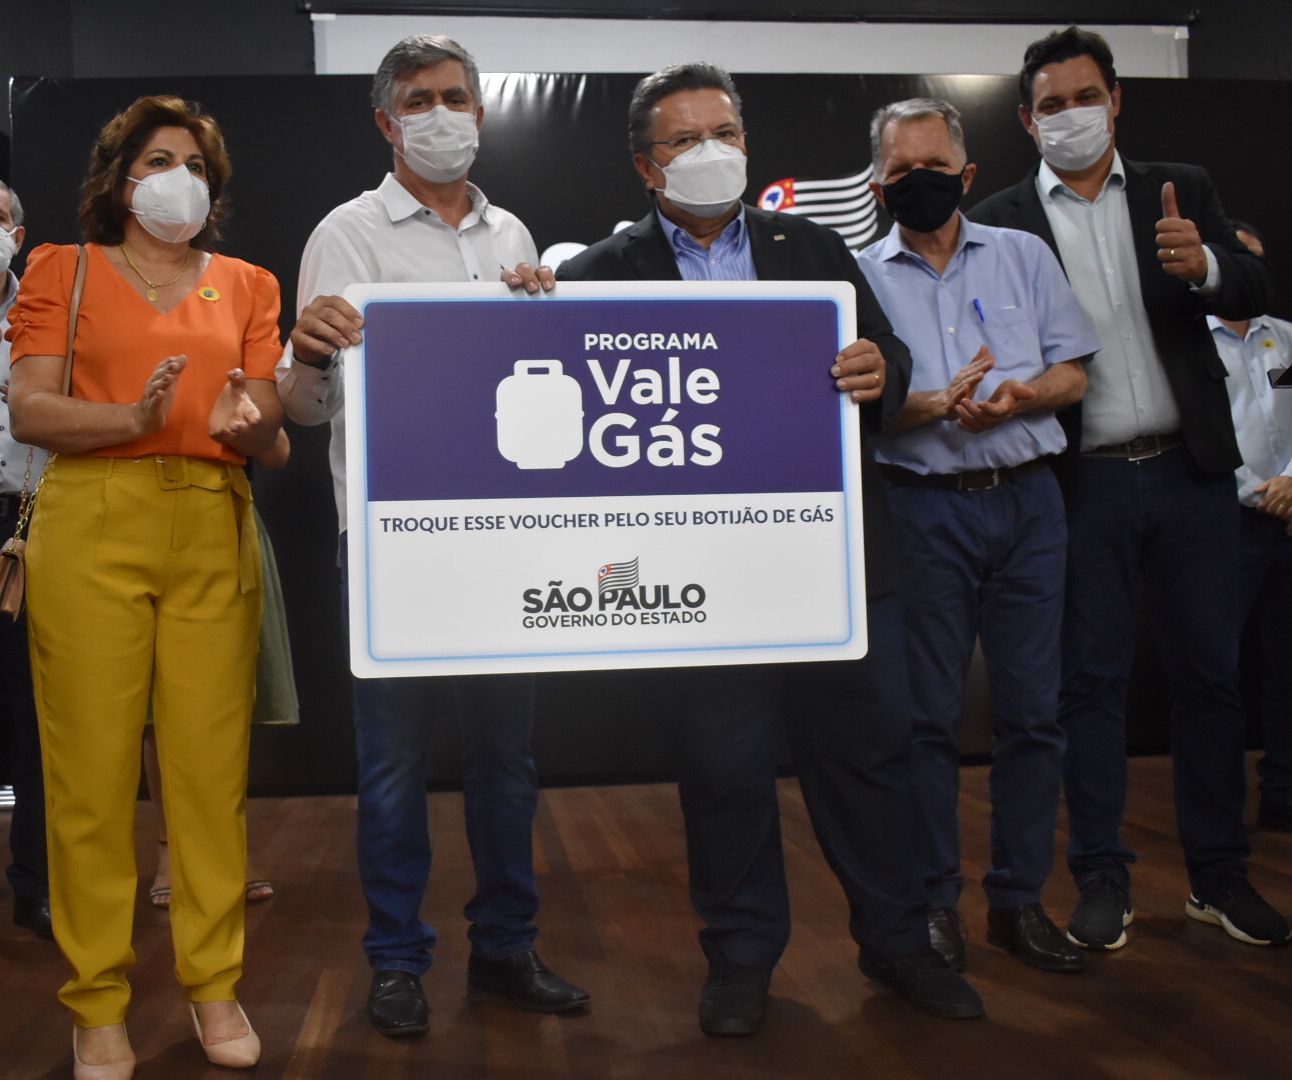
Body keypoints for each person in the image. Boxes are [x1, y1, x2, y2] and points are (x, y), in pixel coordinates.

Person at [538, 62, 983, 1034]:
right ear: (645, 166)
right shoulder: (600, 273)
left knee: (868, 762)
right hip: (701, 581)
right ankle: (740, 961)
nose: (711, 151)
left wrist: (877, 367)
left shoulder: (811, 246)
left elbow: (887, 355)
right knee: (723, 772)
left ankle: (899, 944)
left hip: (830, 565)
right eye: (685, 139)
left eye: (725, 133)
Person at [276, 34, 588, 1039]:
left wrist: (544, 320)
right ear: (385, 120)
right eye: (418, 100)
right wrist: (308, 354)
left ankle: (506, 947)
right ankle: (397, 961)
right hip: (393, 545)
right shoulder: (347, 232)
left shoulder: (512, 232)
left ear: (481, 113)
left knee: (507, 762)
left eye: (455, 96)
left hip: (500, 540)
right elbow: (306, 408)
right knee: (389, 770)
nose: (440, 114)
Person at [971, 25, 1290, 950]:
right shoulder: (1001, 221)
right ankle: (1102, 878)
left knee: (1211, 680)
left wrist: (1209, 266)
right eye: (1051, 105)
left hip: (1192, 474)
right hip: (1081, 483)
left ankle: (1218, 878)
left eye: (1086, 97)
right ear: (1028, 122)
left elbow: (1253, 288)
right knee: (1090, 686)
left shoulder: (1178, 188)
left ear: (1116, 100)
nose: (1071, 115)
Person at [6, 95, 284, 1077]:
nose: (181, 180)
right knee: (88, 777)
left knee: (209, 777)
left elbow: (269, 430)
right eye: (160, 161)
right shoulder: (63, 269)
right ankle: (97, 1003)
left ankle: (215, 986)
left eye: (197, 166)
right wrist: (130, 419)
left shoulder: (249, 284)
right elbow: (31, 409)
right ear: (118, 179)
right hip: (93, 518)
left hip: (211, 518)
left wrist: (254, 426)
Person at [857, 98, 1098, 975]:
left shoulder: (1024, 254)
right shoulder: (855, 277)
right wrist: (931, 405)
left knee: (1033, 714)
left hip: (1030, 505)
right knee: (924, 719)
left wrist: (1022, 396)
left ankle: (1018, 902)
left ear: (966, 174)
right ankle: (933, 905)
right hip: (921, 510)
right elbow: (855, 411)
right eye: (900, 171)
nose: (917, 181)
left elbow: (1073, 373)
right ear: (877, 184)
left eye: (933, 167)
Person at [145, 428, 297, 909]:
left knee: (222, 704)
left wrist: (239, 417)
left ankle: (229, 846)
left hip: (220, 506)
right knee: (153, 707)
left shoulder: (229, 372)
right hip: (126, 510)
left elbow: (277, 449)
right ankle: (170, 847)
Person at [1206, 223, 1292, 831]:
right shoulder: (1190, 342)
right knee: (1216, 670)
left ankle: (1283, 790)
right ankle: (1217, 805)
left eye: (1255, 260)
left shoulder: (1286, 339)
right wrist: (1256, 489)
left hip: (1289, 520)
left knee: (1288, 664)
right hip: (1223, 522)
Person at [0, 180, 52, 942]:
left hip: (26, 520)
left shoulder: (42, 311)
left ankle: (37, 885)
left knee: (36, 711)